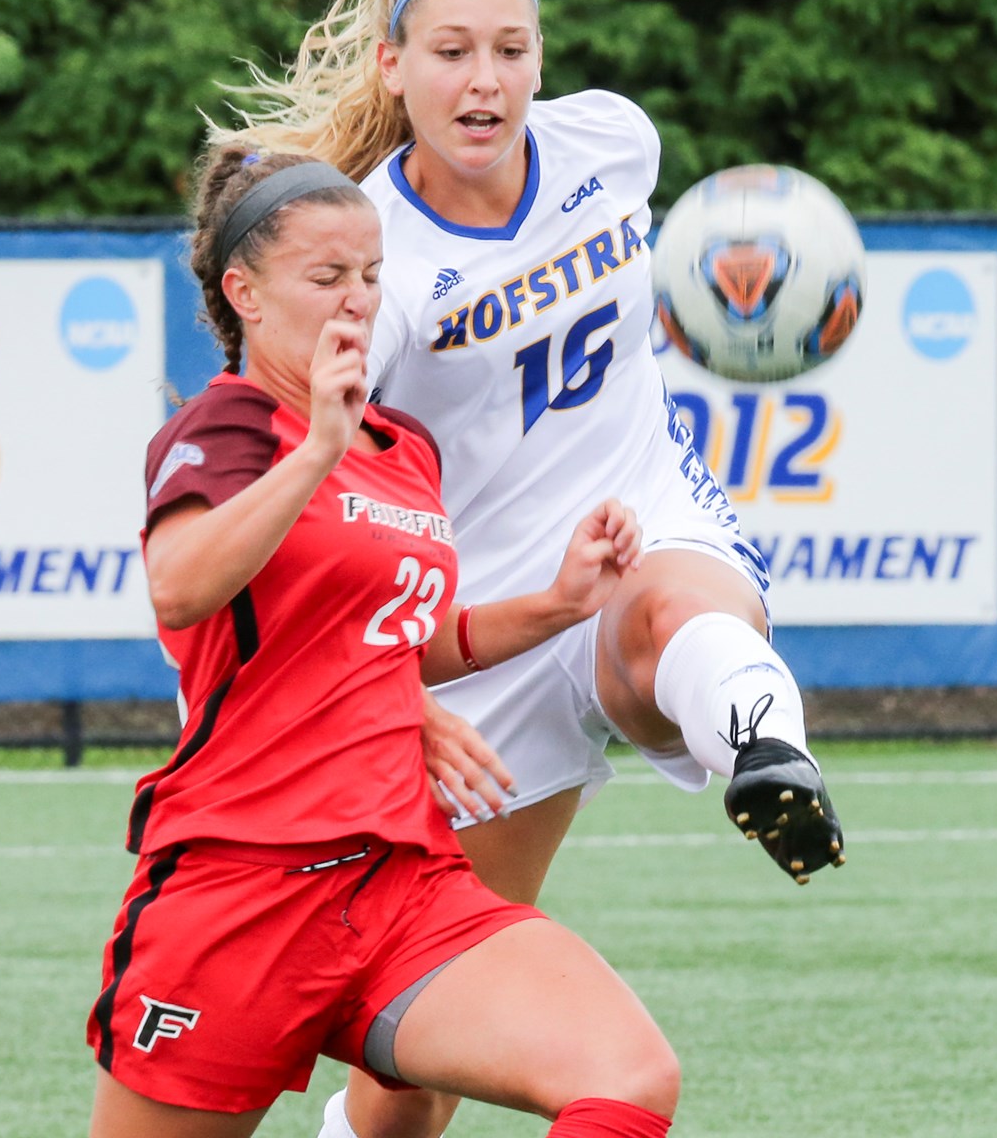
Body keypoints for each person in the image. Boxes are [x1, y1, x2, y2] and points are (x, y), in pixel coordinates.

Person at [216, 0, 848, 1138]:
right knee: (416, 1072)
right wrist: (394, 692)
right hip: (480, 634)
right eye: (451, 52)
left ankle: (767, 751)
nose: (486, 78)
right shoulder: (373, 260)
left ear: (543, 59)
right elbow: (298, 500)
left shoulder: (615, 143)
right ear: (393, 66)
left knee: (675, 613)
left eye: (512, 48)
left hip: (629, 528)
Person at [86, 144, 680, 1138]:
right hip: (241, 889)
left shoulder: (402, 444)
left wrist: (559, 601)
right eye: (326, 277)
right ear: (246, 293)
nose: (358, 299)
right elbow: (179, 586)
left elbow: (396, 633)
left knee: (627, 1073)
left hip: (398, 881)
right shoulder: (229, 425)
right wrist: (316, 442)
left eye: (371, 273)